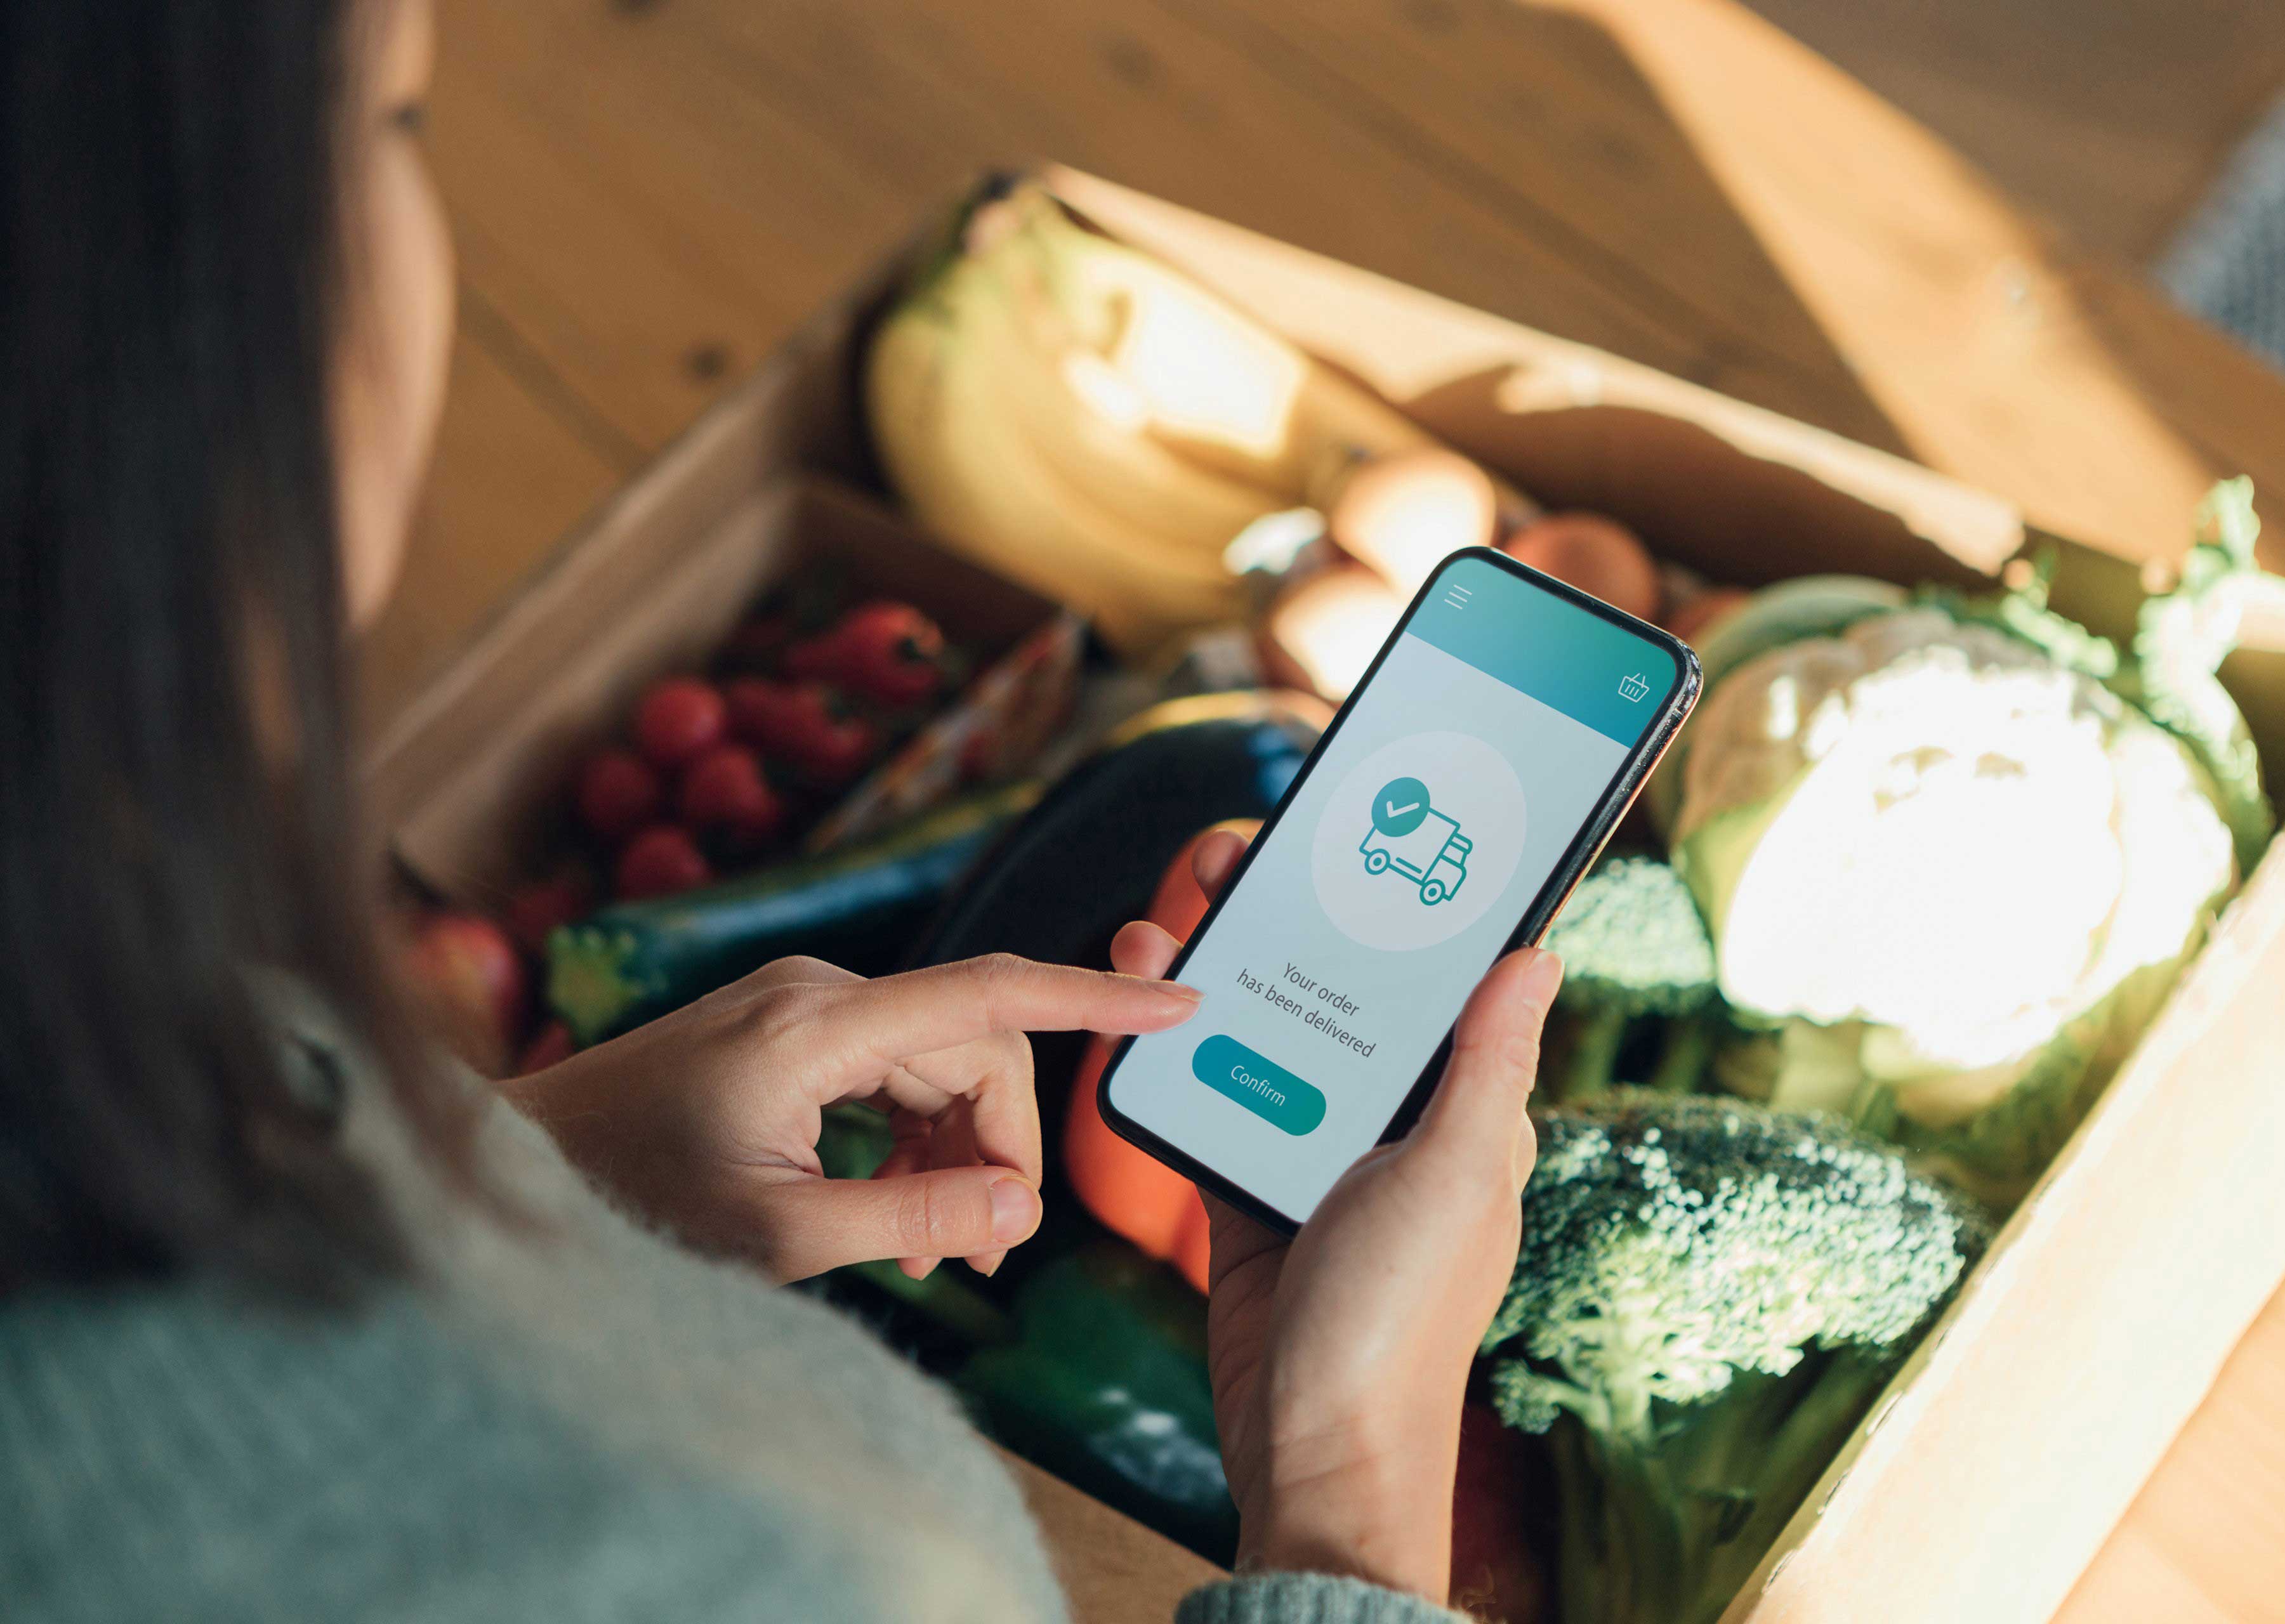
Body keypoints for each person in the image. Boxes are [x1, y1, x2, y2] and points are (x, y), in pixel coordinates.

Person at [0, 4, 1564, 1620]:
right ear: (137, 325)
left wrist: (547, 1176)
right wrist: (1346, 1507)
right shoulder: (749, 1562)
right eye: (395, 121)